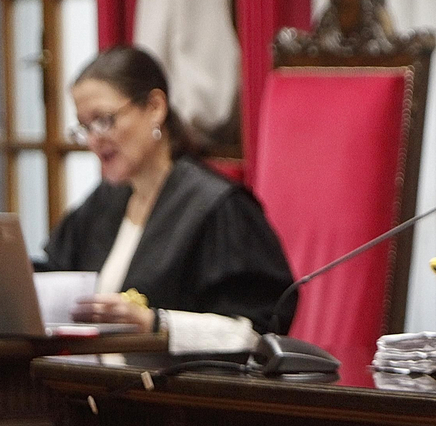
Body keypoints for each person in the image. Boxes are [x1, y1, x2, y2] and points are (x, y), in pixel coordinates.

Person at [39, 45, 295, 349]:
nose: (94, 140)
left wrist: (157, 324)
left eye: (104, 120)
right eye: (84, 127)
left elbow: (254, 335)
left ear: (155, 108)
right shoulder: (103, 202)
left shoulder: (219, 208)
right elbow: (52, 276)